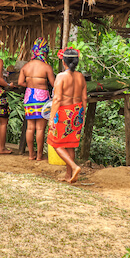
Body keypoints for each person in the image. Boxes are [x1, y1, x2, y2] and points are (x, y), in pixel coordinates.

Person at [47, 47, 87, 183]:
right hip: (77, 112)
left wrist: (51, 118)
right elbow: (84, 98)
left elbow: (57, 99)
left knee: (56, 143)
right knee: (70, 144)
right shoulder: (81, 76)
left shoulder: (61, 77)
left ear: (64, 62)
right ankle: (68, 175)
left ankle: (75, 167)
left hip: (64, 112)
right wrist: (82, 114)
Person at [18, 37, 55, 161]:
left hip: (29, 97)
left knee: (30, 128)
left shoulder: (26, 67)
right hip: (42, 97)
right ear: (44, 52)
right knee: (40, 128)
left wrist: (30, 86)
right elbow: (54, 84)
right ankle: (39, 155)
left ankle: (30, 155)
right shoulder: (46, 67)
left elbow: (20, 82)